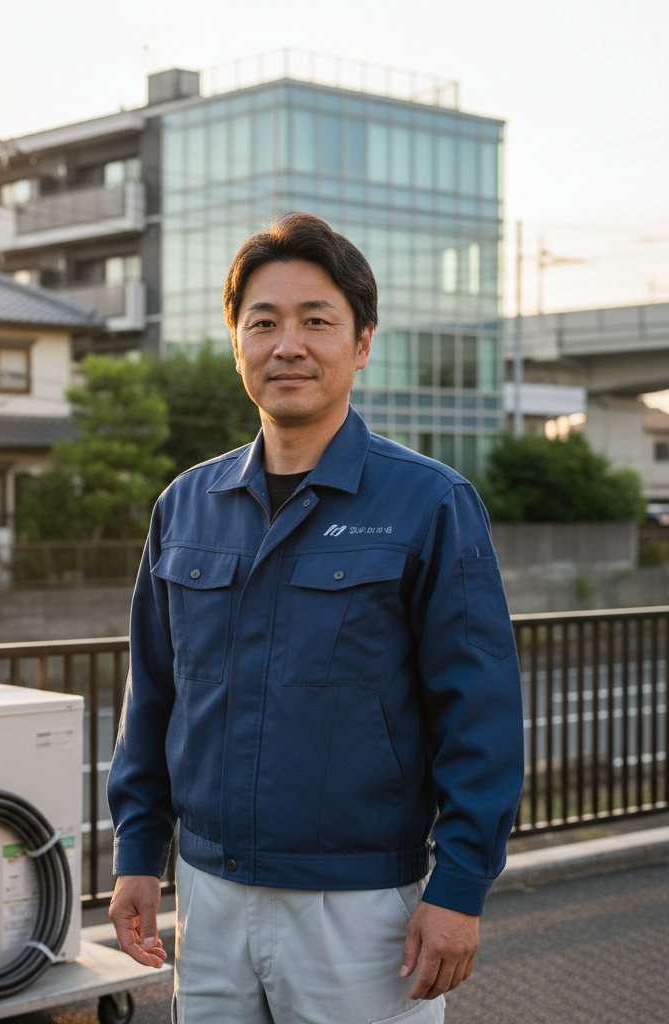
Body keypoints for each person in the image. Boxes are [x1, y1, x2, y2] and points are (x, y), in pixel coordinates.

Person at [107, 212, 523, 1024]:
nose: (287, 345)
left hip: (364, 909)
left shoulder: (430, 503)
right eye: (262, 323)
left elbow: (481, 713)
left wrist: (461, 885)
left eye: (316, 322)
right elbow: (153, 695)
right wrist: (136, 853)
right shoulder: (185, 506)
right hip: (209, 896)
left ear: (361, 343)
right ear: (237, 344)